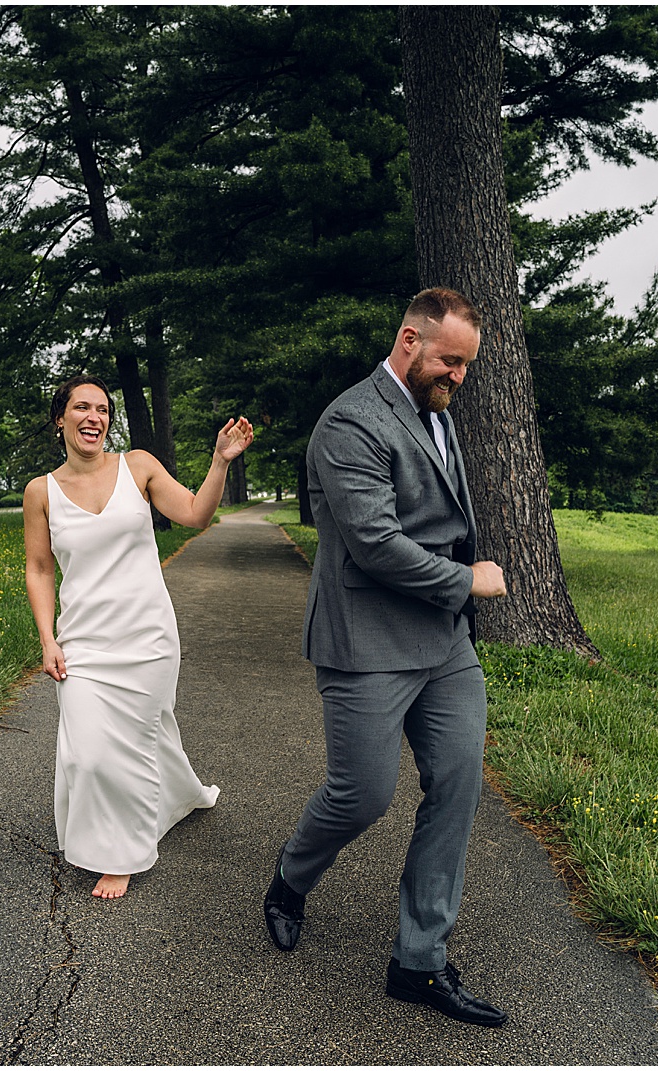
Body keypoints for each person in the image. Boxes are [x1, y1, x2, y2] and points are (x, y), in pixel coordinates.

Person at [262, 287, 510, 1026]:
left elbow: (445, 516)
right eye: (449, 359)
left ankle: (419, 963)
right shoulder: (350, 421)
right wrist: (466, 579)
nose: (458, 376)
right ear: (409, 338)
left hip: (444, 642)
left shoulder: (437, 410)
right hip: (366, 640)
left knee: (459, 783)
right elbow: (375, 546)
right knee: (362, 793)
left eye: (466, 364)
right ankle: (289, 879)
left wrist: (460, 598)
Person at [24, 375, 254, 900]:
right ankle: (182, 794)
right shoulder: (41, 492)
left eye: (102, 409)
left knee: (133, 741)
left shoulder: (138, 467)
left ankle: (123, 853)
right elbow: (39, 569)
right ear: (60, 419)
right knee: (88, 754)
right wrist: (47, 639)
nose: (93, 418)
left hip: (147, 637)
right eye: (81, 408)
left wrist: (220, 462)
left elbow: (196, 515)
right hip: (83, 641)